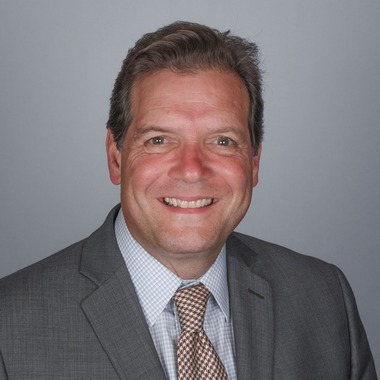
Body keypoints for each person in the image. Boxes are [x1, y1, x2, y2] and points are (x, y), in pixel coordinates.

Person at [0, 21, 377, 380]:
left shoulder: (325, 299)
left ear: (254, 161)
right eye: (159, 140)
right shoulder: (10, 326)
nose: (192, 170)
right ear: (115, 157)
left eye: (223, 141)